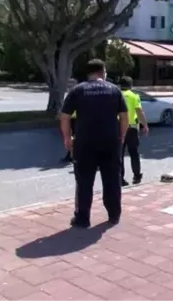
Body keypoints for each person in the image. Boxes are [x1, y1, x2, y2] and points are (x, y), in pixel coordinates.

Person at [60, 59, 128, 228]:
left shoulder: (77, 90)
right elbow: (124, 117)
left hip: (84, 143)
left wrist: (67, 138)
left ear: (89, 73)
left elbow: (65, 117)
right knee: (112, 180)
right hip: (110, 142)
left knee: (84, 182)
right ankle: (114, 215)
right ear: (103, 72)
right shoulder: (114, 90)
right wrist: (121, 136)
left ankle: (82, 218)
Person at [119, 76, 149, 186]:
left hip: (117, 128)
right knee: (134, 153)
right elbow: (139, 111)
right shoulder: (133, 96)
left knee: (119, 154)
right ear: (131, 85)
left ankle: (120, 179)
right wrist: (145, 125)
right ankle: (137, 176)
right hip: (131, 128)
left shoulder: (116, 95)